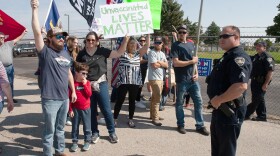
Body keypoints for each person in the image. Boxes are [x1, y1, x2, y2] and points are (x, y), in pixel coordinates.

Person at [31, 1, 77, 155]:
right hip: (50, 98)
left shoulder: (65, 53)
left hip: (64, 97)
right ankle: (47, 153)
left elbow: (69, 73)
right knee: (49, 130)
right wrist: (35, 9)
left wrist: (73, 91)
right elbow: (37, 32)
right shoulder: (45, 53)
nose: (62, 38)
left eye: (63, 36)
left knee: (60, 127)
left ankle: (60, 150)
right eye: (58, 36)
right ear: (49, 38)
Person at [206, 25, 252, 156]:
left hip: (229, 111)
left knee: (226, 151)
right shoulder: (227, 56)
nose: (221, 38)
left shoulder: (238, 57)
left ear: (236, 37)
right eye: (220, 36)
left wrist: (219, 99)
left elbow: (240, 86)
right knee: (217, 149)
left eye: (225, 36)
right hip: (220, 109)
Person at [76, 31, 129, 144]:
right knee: (91, 111)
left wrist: (125, 40)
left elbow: (119, 53)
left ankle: (112, 132)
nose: (90, 42)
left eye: (93, 40)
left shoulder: (102, 51)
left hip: (101, 84)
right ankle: (95, 133)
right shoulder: (81, 54)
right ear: (85, 41)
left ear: (97, 42)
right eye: (88, 40)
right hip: (87, 86)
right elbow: (77, 70)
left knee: (106, 110)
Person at [170, 25, 209, 135]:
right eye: (180, 32)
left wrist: (197, 73)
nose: (182, 34)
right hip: (182, 79)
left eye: (184, 32)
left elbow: (195, 62)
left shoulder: (191, 45)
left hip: (193, 80)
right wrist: (191, 62)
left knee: (198, 102)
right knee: (179, 103)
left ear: (187, 33)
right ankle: (181, 124)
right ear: (178, 34)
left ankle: (200, 125)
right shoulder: (175, 45)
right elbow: (176, 62)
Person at [113, 35, 150, 128]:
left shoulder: (138, 55)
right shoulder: (122, 54)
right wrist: (126, 39)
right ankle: (115, 119)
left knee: (132, 101)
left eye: (134, 44)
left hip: (134, 82)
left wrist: (148, 35)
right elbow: (122, 46)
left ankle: (130, 119)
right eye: (131, 44)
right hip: (123, 82)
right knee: (120, 101)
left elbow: (146, 46)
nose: (133, 45)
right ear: (127, 45)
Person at [245, 41, 274, 122]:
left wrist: (266, 84)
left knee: (256, 100)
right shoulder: (256, 56)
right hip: (255, 81)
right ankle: (262, 116)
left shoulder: (267, 57)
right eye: (257, 46)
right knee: (259, 99)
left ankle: (246, 113)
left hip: (262, 82)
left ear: (264, 48)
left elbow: (270, 72)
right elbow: (248, 58)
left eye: (260, 46)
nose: (257, 47)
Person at [69, 62, 92, 152]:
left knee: (87, 126)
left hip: (86, 108)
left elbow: (89, 94)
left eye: (86, 73)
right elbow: (69, 98)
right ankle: (75, 142)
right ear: (77, 72)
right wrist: (70, 109)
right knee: (75, 127)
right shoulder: (72, 84)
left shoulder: (87, 83)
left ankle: (87, 141)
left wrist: (85, 84)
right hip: (75, 109)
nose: (85, 75)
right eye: (83, 73)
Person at [0, 30, 27, 103]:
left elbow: (18, 39)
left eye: (2, 38)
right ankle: (1, 98)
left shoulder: (8, 44)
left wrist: (23, 33)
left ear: (4, 38)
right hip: (0, 69)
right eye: (0, 38)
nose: (1, 39)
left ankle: (10, 98)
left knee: (10, 83)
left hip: (9, 68)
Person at [148, 36, 168, 126]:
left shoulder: (162, 54)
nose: (157, 44)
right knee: (157, 98)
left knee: (154, 98)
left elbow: (167, 65)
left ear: (162, 43)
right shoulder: (152, 52)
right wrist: (161, 63)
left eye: (159, 43)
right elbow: (154, 65)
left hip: (160, 78)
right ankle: (155, 118)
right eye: (156, 42)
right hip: (154, 78)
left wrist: (159, 62)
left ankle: (153, 115)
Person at [65, 36, 79, 126]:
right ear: (70, 42)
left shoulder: (75, 52)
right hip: (65, 78)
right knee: (67, 97)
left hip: (73, 77)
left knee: (72, 96)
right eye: (75, 42)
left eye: (77, 43)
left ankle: (71, 115)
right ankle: (66, 117)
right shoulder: (65, 52)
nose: (76, 44)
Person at [135, 35, 150, 109]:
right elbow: (139, 61)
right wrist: (148, 60)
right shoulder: (138, 49)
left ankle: (139, 99)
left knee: (141, 85)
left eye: (144, 41)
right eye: (141, 40)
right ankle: (137, 100)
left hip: (145, 69)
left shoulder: (147, 49)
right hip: (139, 69)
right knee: (138, 85)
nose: (143, 42)